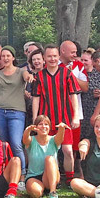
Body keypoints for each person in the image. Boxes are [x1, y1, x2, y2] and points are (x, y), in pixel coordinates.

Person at [31, 45, 81, 181]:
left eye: (54, 56)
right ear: (44, 58)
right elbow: (36, 97)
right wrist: (35, 118)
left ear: (58, 57)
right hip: (46, 121)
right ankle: (54, 179)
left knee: (68, 150)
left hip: (64, 120)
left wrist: (75, 116)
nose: (52, 59)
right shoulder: (39, 76)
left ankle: (70, 179)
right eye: (49, 56)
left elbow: (73, 95)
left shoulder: (67, 73)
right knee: (49, 153)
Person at [22, 116, 66, 198]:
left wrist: (61, 128)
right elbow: (25, 140)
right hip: (34, 176)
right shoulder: (32, 140)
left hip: (50, 176)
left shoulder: (53, 140)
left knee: (49, 159)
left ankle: (53, 192)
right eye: (40, 124)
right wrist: (27, 130)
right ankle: (42, 190)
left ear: (49, 127)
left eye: (46, 124)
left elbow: (60, 138)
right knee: (37, 193)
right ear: (36, 127)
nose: (43, 127)